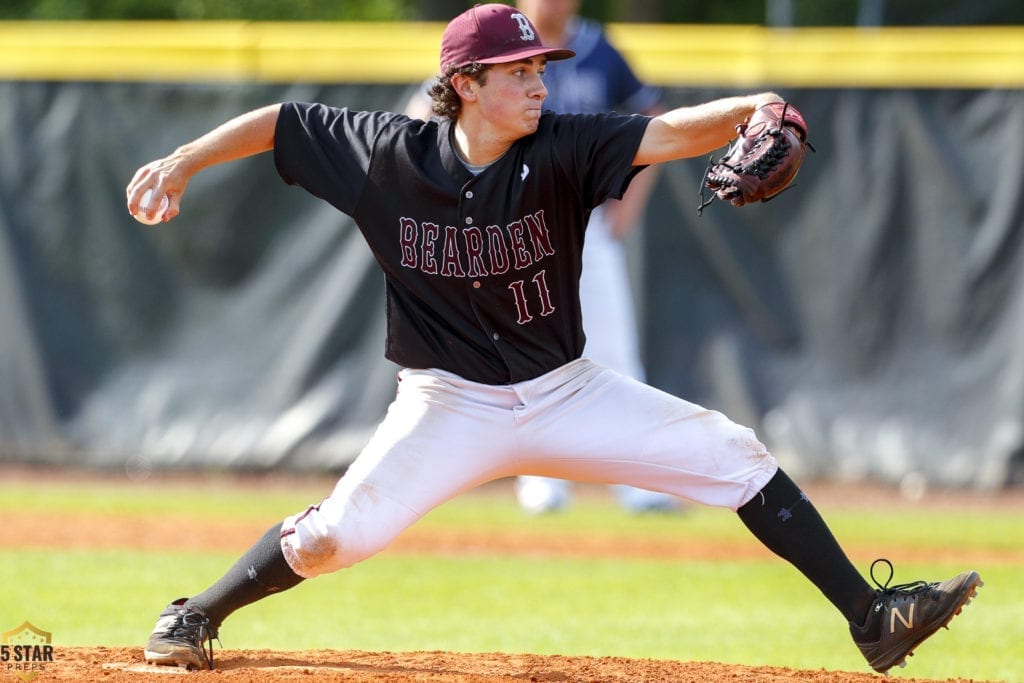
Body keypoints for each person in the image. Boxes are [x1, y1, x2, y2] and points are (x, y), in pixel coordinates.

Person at [127, 3, 981, 675]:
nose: (541, 86)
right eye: (521, 72)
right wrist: (181, 161)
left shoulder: (568, 146)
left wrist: (760, 108)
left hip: (567, 390)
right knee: (330, 540)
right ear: (464, 82)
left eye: (542, 68)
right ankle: (197, 610)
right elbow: (279, 122)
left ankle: (874, 619)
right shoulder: (388, 154)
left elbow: (679, 130)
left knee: (733, 450)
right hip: (446, 403)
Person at [404, 0, 679, 514]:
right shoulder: (495, 41)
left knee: (615, 351)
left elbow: (653, 118)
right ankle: (543, 484)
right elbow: (421, 119)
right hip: (510, 232)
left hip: (582, 223)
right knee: (524, 358)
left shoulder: (599, 49)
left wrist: (629, 201)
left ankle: (639, 484)